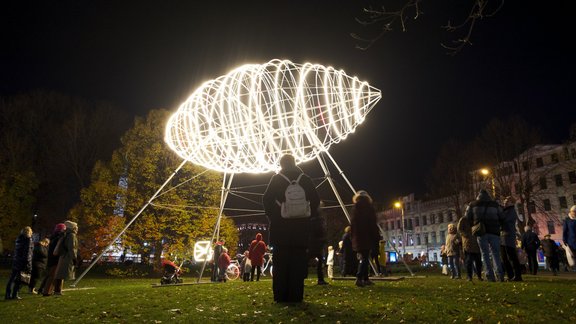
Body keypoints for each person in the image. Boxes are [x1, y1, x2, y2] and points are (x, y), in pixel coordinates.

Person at [262, 154, 320, 303]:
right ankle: (296, 295)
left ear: (282, 165)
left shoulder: (276, 179)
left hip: (280, 231)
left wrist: (275, 216)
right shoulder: (305, 179)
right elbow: (315, 200)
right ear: (294, 163)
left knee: (280, 265)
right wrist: (307, 216)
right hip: (301, 231)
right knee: (298, 264)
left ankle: (280, 296)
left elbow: (266, 199)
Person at [465, 189, 505, 282]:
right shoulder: (494, 204)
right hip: (494, 232)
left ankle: (489, 276)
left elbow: (467, 217)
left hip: (481, 232)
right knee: (496, 254)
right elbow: (502, 216)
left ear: (478, 195)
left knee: (484, 254)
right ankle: (500, 275)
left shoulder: (472, 204)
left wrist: (474, 224)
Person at [350, 190, 380, 287]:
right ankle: (359, 277)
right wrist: (375, 235)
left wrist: (353, 237)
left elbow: (352, 224)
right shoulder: (369, 207)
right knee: (365, 258)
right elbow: (372, 222)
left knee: (364, 257)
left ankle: (365, 278)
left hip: (358, 237)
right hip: (367, 236)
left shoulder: (355, 208)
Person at [5, 226, 33, 300]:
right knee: (19, 279)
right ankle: (15, 294)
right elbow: (28, 253)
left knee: (12, 278)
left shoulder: (18, 239)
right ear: (29, 232)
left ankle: (7, 295)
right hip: (22, 262)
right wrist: (28, 263)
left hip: (16, 261)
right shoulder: (28, 240)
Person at [500, 197, 523, 281]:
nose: (505, 202)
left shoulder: (512, 211)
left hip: (508, 236)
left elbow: (505, 220)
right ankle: (510, 275)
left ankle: (518, 276)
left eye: (507, 202)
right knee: (504, 257)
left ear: (512, 203)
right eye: (504, 201)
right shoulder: (505, 210)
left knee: (512, 257)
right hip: (503, 237)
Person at [53, 220, 78, 296]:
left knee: (60, 273)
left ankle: (57, 290)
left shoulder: (66, 234)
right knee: (61, 274)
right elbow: (71, 247)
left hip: (63, 255)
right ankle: (57, 291)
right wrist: (74, 258)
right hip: (67, 256)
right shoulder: (71, 235)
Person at [40, 223, 67, 296]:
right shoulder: (59, 237)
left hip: (51, 258)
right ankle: (46, 291)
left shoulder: (53, 237)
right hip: (55, 258)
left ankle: (47, 290)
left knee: (51, 275)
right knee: (52, 275)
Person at [457, 215, 483, 281]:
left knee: (478, 261)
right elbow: (459, 229)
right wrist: (465, 235)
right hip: (467, 243)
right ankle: (469, 276)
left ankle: (479, 276)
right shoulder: (463, 219)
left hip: (476, 242)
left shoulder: (476, 217)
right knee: (469, 261)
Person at [308, 203, 328, 285]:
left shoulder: (311, 217)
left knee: (318, 261)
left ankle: (320, 279)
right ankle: (320, 279)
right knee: (319, 261)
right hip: (315, 241)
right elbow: (319, 230)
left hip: (313, 242)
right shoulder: (317, 219)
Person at [563, 205, 576, 269]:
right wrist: (564, 240)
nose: (574, 213)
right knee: (573, 256)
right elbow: (565, 231)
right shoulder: (567, 220)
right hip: (571, 242)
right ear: (571, 212)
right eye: (573, 212)